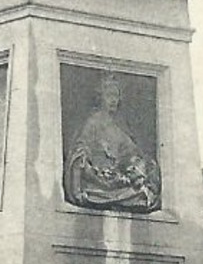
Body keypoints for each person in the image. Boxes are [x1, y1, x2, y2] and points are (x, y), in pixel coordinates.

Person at [65, 73, 161, 212]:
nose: (113, 100)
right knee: (94, 191)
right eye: (109, 95)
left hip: (119, 180)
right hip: (97, 180)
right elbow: (80, 151)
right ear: (101, 98)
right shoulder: (93, 123)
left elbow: (132, 153)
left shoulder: (120, 126)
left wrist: (137, 167)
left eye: (116, 96)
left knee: (143, 190)